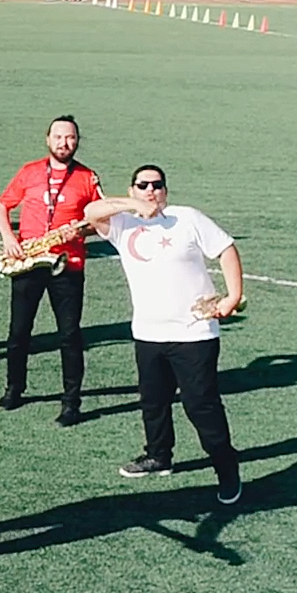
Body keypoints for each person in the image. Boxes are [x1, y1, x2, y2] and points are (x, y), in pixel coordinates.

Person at [84, 166, 244, 504]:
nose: (151, 191)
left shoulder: (186, 218)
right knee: (153, 401)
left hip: (194, 333)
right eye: (143, 185)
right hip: (148, 332)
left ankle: (226, 467)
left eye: (157, 185)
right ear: (132, 189)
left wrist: (231, 296)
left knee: (200, 405)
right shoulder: (123, 224)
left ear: (166, 191)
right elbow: (90, 211)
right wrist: (129, 204)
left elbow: (226, 248)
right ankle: (159, 456)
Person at [0, 115, 104, 426]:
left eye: (70, 138)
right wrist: (9, 239)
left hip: (68, 265)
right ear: (47, 139)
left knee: (69, 335)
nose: (64, 143)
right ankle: (14, 388)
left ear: (77, 141)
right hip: (29, 262)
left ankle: (71, 402)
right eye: (58, 137)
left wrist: (81, 232)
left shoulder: (88, 177)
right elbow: (2, 206)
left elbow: (103, 221)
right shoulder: (29, 171)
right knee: (18, 333)